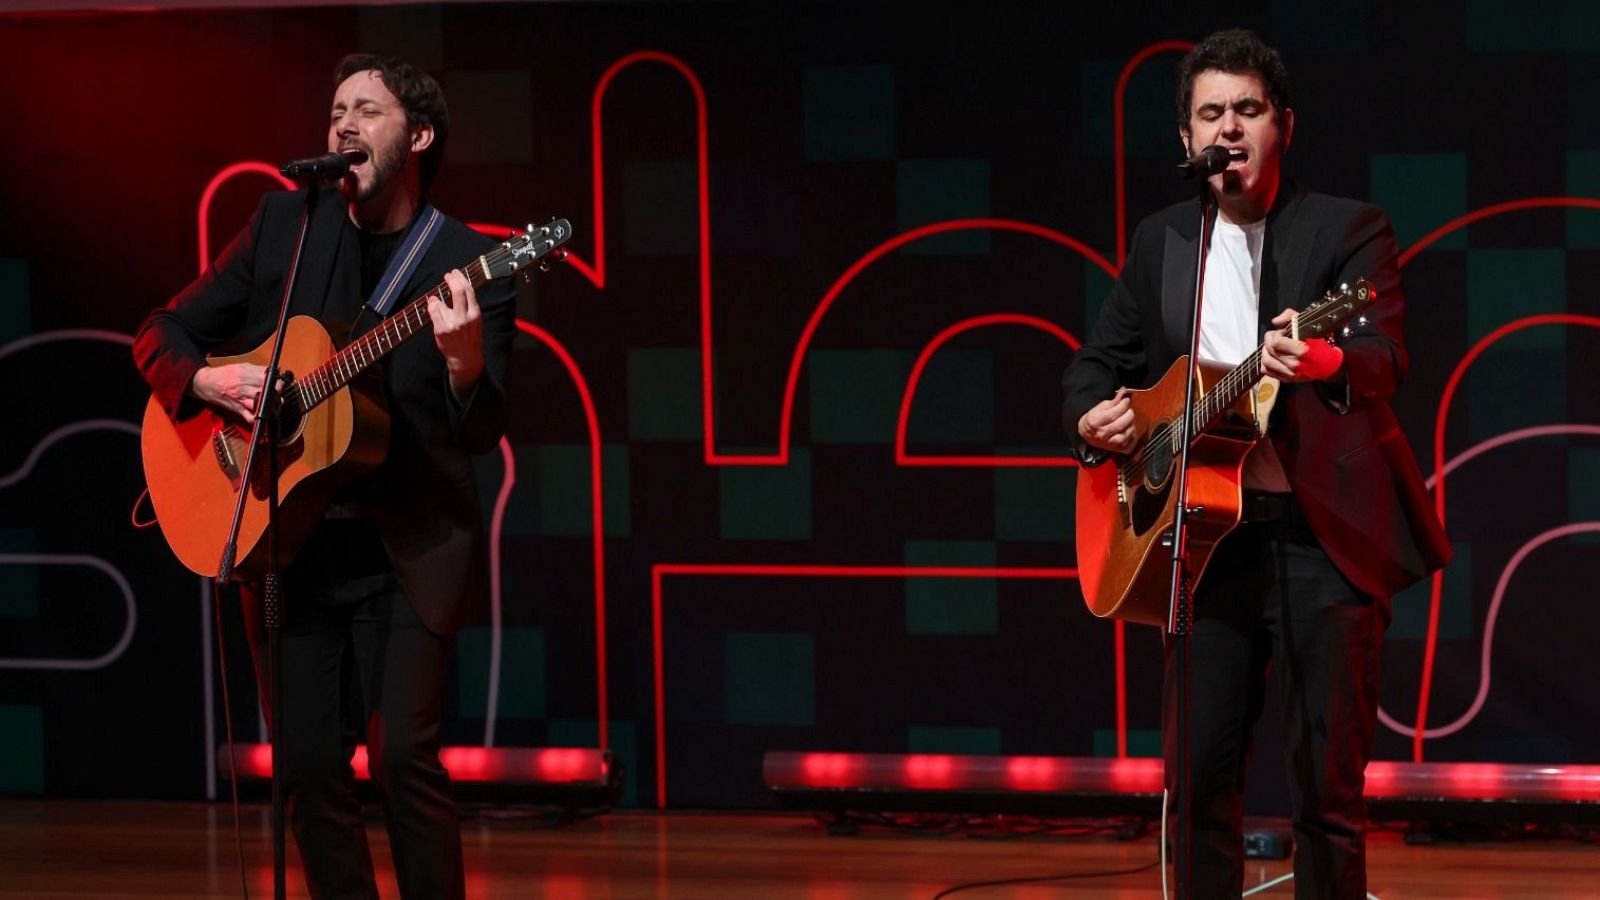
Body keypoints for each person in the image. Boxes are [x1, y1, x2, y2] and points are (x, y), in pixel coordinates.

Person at [1062, 29, 1450, 899]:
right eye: (1211, 113)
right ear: (1186, 142)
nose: (1228, 127)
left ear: (1282, 125)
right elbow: (1095, 361)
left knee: (1326, 795)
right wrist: (1093, 417)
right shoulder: (1164, 242)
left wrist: (1329, 365)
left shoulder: (1348, 230)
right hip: (1202, 551)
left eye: (1247, 109)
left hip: (1323, 542)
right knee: (1196, 784)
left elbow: (1384, 355)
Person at [134, 53, 519, 899]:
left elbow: (484, 429)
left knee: (403, 759)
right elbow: (162, 330)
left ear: (416, 136)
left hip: (404, 550)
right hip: (288, 544)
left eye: (367, 111)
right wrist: (206, 381)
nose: (343, 124)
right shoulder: (285, 224)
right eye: (336, 109)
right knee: (307, 771)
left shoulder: (464, 260)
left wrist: (462, 366)